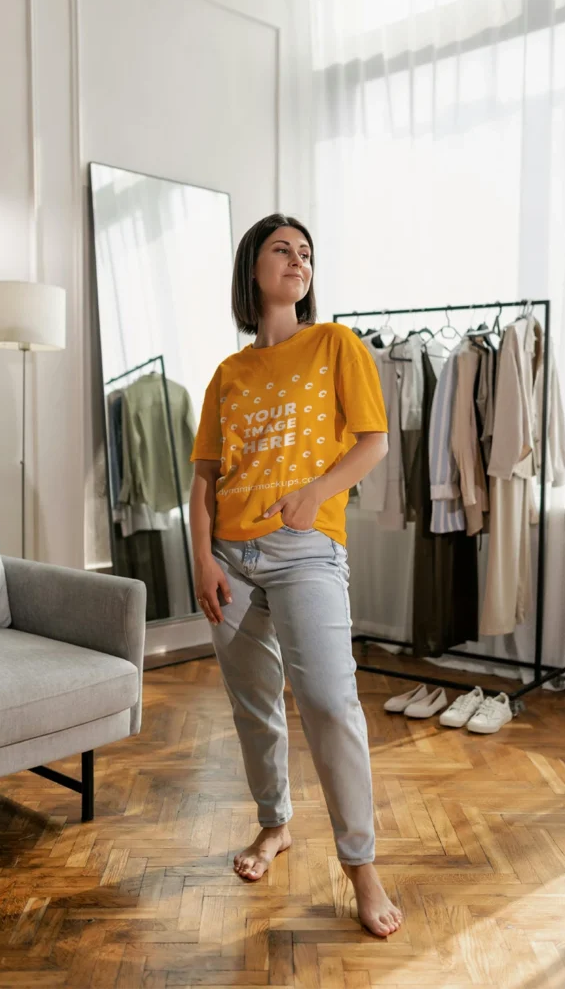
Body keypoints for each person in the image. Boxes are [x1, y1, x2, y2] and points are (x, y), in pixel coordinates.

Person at [189, 213, 403, 937]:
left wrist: (315, 494)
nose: (297, 260)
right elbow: (202, 481)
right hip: (230, 558)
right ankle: (273, 824)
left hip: (305, 548)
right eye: (282, 249)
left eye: (306, 252)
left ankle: (360, 866)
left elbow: (372, 443)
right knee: (254, 706)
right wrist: (200, 561)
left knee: (328, 699)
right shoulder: (228, 373)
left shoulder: (334, 344)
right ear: (252, 267)